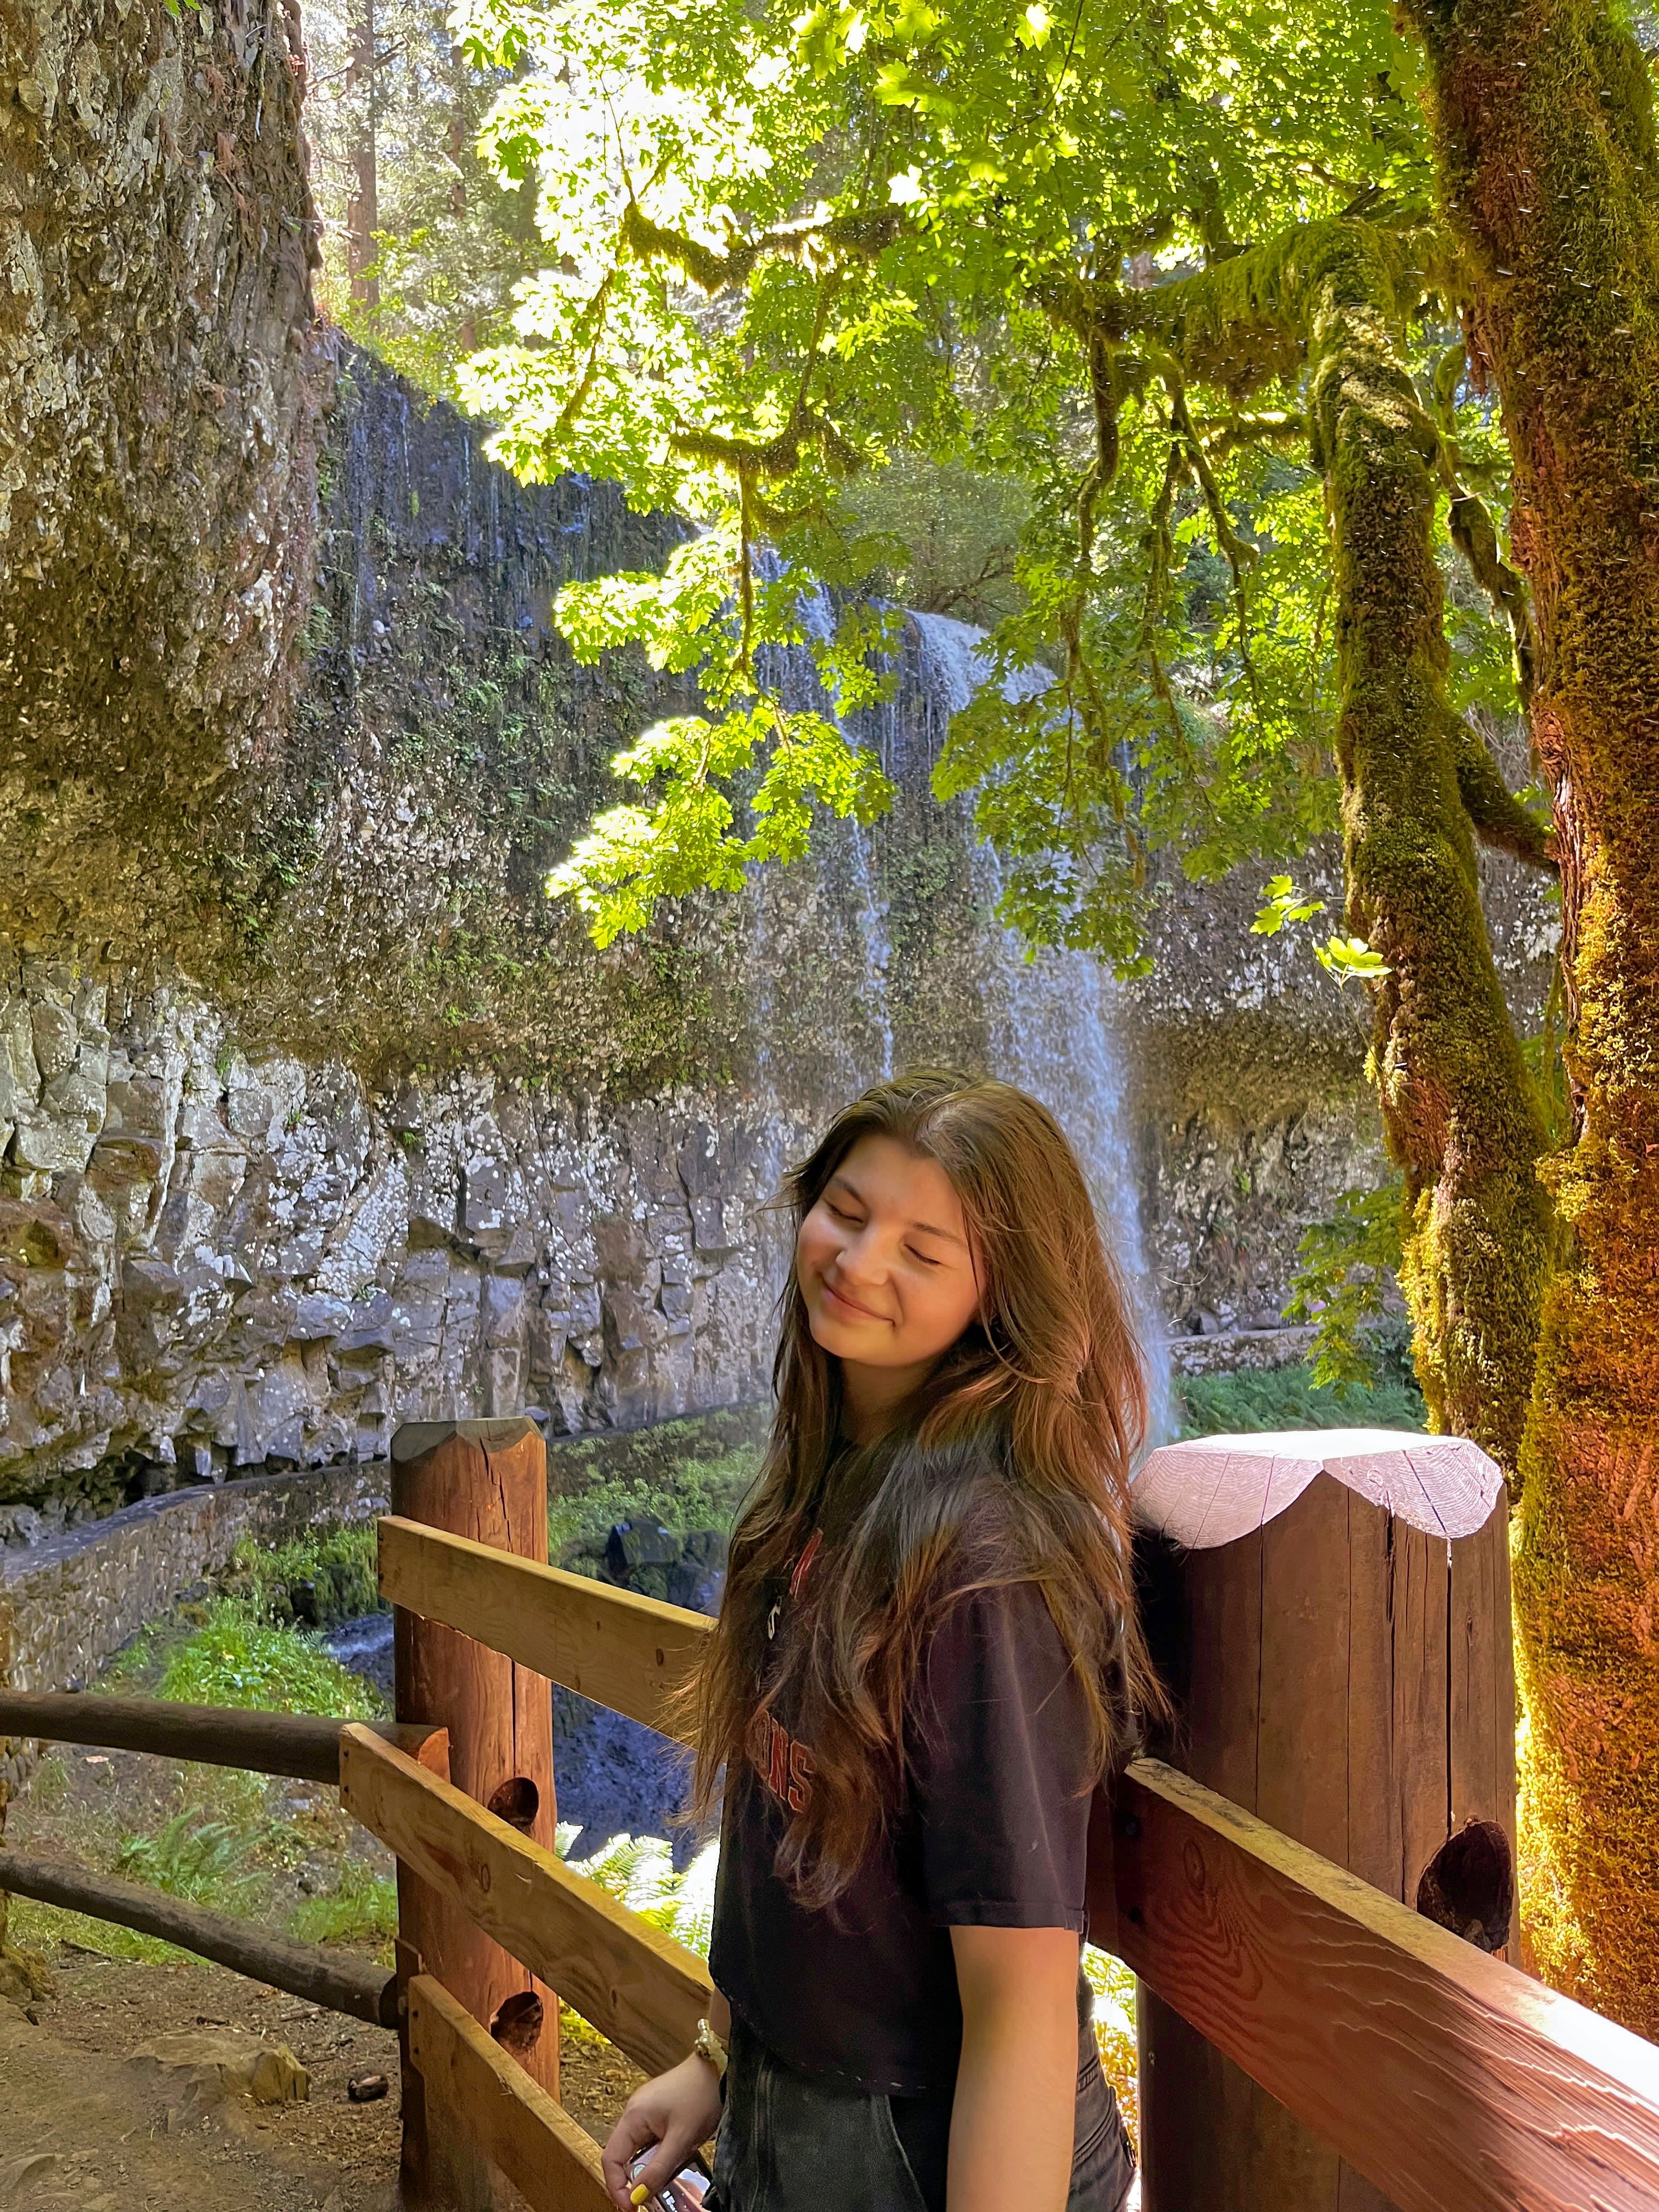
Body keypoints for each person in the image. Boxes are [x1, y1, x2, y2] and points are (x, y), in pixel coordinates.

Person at [603, 1069, 1163, 2212]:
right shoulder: (833, 1475)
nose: (859, 1265)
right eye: (847, 1215)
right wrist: (718, 2059)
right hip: (802, 2101)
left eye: (924, 1250)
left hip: (926, 2146)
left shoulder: (987, 1566)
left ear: (1000, 1294)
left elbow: (1019, 1992)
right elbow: (793, 1832)